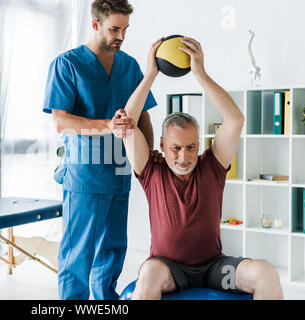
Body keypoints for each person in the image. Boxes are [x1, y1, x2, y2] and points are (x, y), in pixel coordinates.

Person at [117, 36, 284, 300]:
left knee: (265, 273)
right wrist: (150, 74)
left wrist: (200, 73)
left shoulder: (212, 167)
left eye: (191, 147)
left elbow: (235, 119)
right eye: (176, 148)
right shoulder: (152, 170)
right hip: (167, 269)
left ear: (199, 145)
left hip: (214, 268)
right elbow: (127, 125)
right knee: (148, 276)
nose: (184, 156)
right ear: (162, 144)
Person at [42, 0, 157, 300]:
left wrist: (149, 159)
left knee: (113, 250)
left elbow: (142, 115)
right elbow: (62, 122)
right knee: (79, 253)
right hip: (85, 175)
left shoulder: (129, 66)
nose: (121, 36)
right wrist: (109, 125)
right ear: (95, 24)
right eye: (114, 29)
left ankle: (105, 301)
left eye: (125, 29)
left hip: (120, 170)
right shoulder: (67, 64)